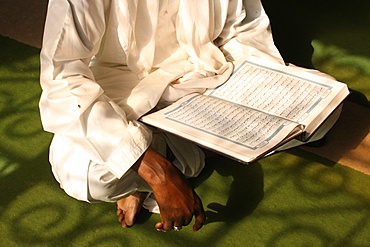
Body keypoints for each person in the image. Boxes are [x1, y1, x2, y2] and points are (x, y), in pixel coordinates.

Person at [39, 0, 341, 232]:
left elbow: (243, 32)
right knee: (85, 175)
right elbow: (64, 76)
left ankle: (167, 160)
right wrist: (156, 171)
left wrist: (250, 87)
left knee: (324, 109)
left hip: (206, 78)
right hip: (123, 94)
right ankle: (161, 163)